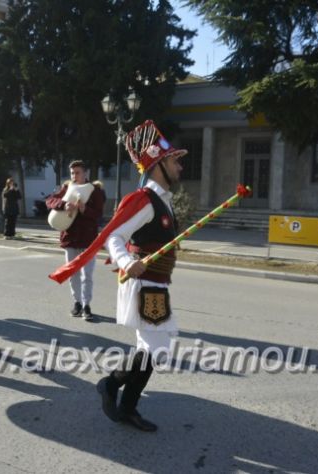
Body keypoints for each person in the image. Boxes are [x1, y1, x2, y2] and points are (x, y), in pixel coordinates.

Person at [48, 120, 186, 431]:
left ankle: (127, 406)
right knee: (154, 350)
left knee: (151, 350)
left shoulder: (163, 200)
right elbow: (114, 237)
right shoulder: (145, 200)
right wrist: (126, 261)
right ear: (158, 164)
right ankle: (111, 385)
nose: (180, 165)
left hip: (158, 284)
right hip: (145, 283)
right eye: (175, 160)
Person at [46, 161, 105, 321]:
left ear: (85, 173)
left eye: (77, 172)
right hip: (70, 238)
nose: (74, 176)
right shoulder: (67, 188)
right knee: (73, 274)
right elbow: (50, 200)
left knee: (87, 275)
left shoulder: (95, 191)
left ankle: (86, 305)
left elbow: (99, 214)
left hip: (88, 239)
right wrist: (63, 205)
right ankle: (77, 303)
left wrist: (84, 209)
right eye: (72, 173)